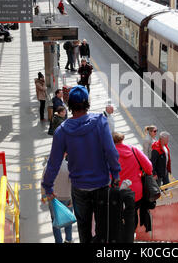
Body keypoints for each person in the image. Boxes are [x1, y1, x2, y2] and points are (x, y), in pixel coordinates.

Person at [41, 85, 121, 243]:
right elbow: (111, 152)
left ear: (69, 104)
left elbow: (53, 164)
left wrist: (48, 187)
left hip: (79, 189)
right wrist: (116, 174)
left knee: (83, 228)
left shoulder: (62, 132)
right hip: (102, 185)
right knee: (102, 228)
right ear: (87, 103)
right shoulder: (100, 122)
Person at [113, 132, 153, 231]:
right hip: (135, 193)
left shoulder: (109, 154)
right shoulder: (133, 150)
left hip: (117, 193)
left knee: (117, 214)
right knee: (132, 213)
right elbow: (149, 167)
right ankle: (131, 235)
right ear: (122, 139)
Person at [41, 158, 74, 243]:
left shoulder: (48, 166)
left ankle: (58, 241)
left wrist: (43, 195)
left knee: (55, 221)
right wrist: (73, 198)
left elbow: (44, 181)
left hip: (53, 198)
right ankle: (69, 239)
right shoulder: (68, 166)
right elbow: (72, 182)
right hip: (67, 197)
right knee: (68, 219)